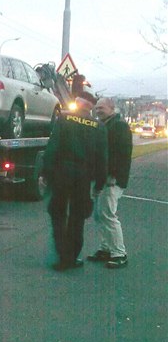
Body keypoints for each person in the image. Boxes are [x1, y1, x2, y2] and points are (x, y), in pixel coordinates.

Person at [40, 96, 108, 271]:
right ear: (91, 107)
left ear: (78, 104)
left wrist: (45, 173)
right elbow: (102, 157)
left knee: (58, 213)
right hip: (83, 177)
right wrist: (99, 183)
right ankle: (72, 257)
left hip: (61, 174)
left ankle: (62, 254)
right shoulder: (99, 126)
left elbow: (52, 147)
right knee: (78, 217)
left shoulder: (64, 119)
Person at [88, 97, 133, 268]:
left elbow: (120, 154)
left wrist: (112, 176)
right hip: (103, 177)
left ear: (111, 108)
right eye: (97, 108)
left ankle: (119, 253)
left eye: (102, 108)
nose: (98, 111)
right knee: (99, 215)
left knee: (108, 214)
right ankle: (105, 248)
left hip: (111, 179)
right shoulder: (106, 124)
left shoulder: (118, 126)